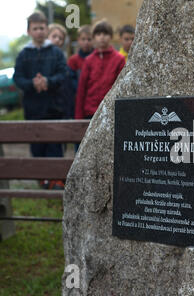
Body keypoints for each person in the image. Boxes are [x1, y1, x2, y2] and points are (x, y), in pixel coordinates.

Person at [13, 11, 67, 190]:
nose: (39, 31)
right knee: (38, 147)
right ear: (29, 31)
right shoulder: (23, 54)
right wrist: (33, 83)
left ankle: (56, 180)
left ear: (46, 28)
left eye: (42, 28)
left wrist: (48, 82)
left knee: (54, 145)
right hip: (33, 109)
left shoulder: (56, 53)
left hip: (54, 108)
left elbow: (63, 74)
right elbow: (17, 78)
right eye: (35, 28)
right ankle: (42, 180)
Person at [75, 20, 125, 120]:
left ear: (111, 36)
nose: (102, 37)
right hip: (90, 112)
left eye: (105, 33)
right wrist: (78, 117)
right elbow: (81, 90)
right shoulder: (88, 60)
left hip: (112, 112)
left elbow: (122, 88)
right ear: (94, 38)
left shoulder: (119, 59)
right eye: (98, 34)